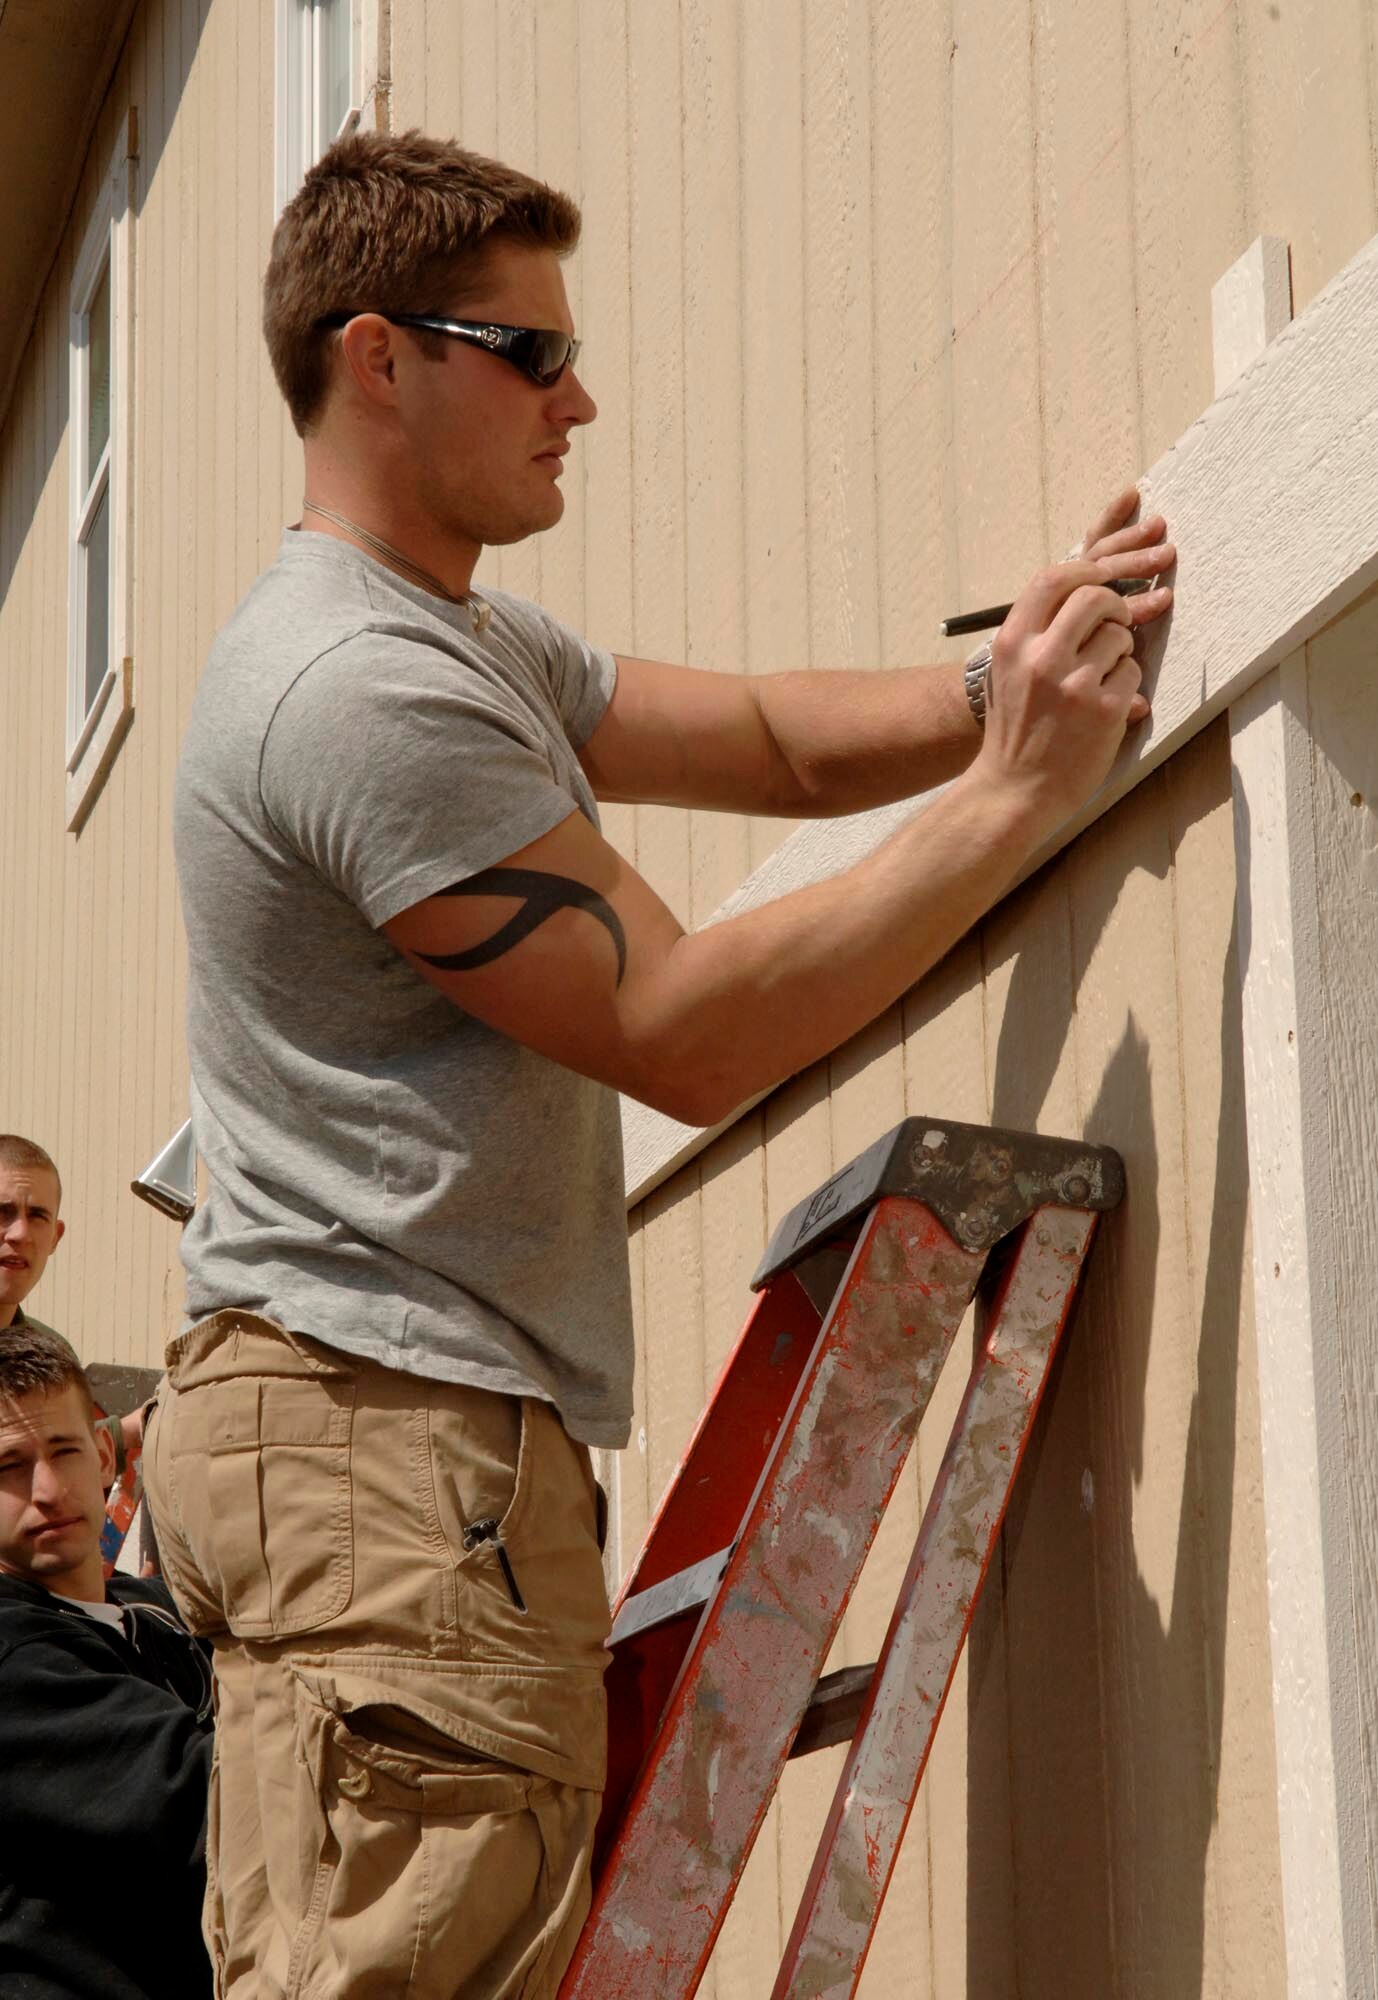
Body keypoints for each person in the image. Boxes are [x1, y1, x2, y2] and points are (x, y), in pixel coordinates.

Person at [145, 128, 1175, 1998]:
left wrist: (989, 688)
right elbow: (679, 1032)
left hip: (391, 1447)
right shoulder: (355, 692)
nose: (581, 397)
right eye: (529, 352)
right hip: (390, 1453)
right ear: (379, 358)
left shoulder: (455, 642)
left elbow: (775, 742)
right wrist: (1021, 792)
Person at [0, 1325, 213, 1998]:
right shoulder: (13, 1657)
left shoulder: (161, 1612)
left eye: (63, 1451)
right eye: (7, 1466)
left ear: (103, 1457)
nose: (47, 1490)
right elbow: (205, 1792)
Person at [0, 1133, 140, 1477]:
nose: (20, 1234)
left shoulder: (52, 1354)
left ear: (55, 1238)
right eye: (3, 1212)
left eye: (37, 1216)